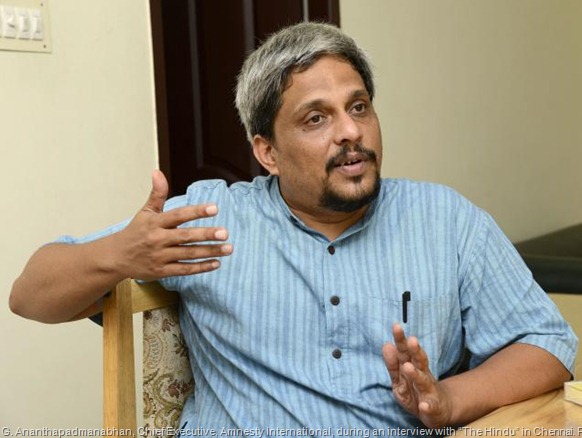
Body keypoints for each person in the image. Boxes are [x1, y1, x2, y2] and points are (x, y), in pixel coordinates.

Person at [10, 22, 577, 433]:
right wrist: (119, 254)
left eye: (359, 108)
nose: (350, 133)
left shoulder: (447, 221)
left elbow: (548, 344)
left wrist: (449, 400)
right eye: (316, 118)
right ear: (267, 152)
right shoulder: (211, 219)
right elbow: (30, 294)